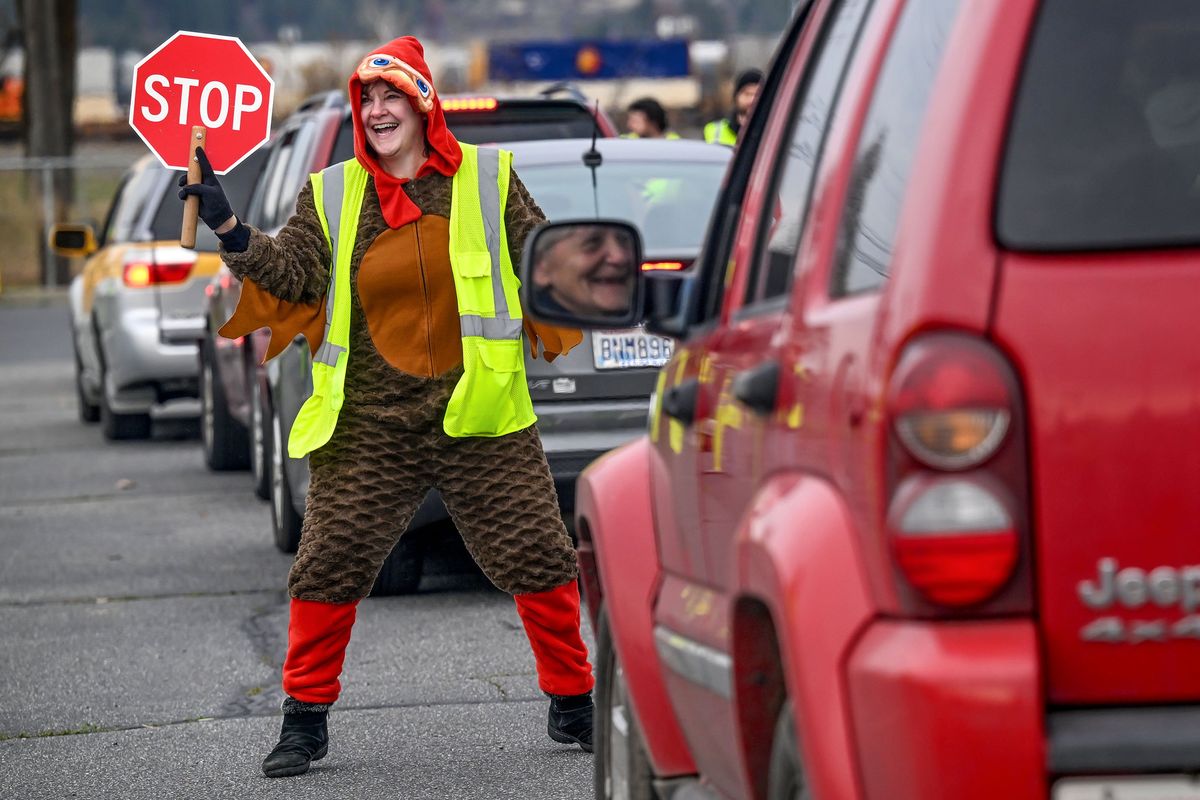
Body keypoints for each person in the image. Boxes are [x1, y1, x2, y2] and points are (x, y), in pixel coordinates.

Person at [179, 35, 596, 779]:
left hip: (480, 415)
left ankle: (574, 701)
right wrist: (230, 228)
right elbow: (294, 272)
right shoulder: (334, 191)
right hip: (371, 423)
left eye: (389, 96)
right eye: (365, 99)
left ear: (422, 102)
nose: (375, 110)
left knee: (539, 555)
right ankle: (303, 723)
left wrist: (593, 270)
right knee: (327, 563)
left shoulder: (489, 178)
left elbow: (542, 260)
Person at [532, 223, 637, 318]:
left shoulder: (644, 307)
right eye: (593, 243)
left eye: (624, 241)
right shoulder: (535, 326)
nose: (619, 257)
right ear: (541, 267)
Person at [704, 68, 762, 146]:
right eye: (747, 94)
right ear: (736, 96)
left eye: (757, 95)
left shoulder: (772, 131)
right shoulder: (713, 130)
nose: (751, 100)